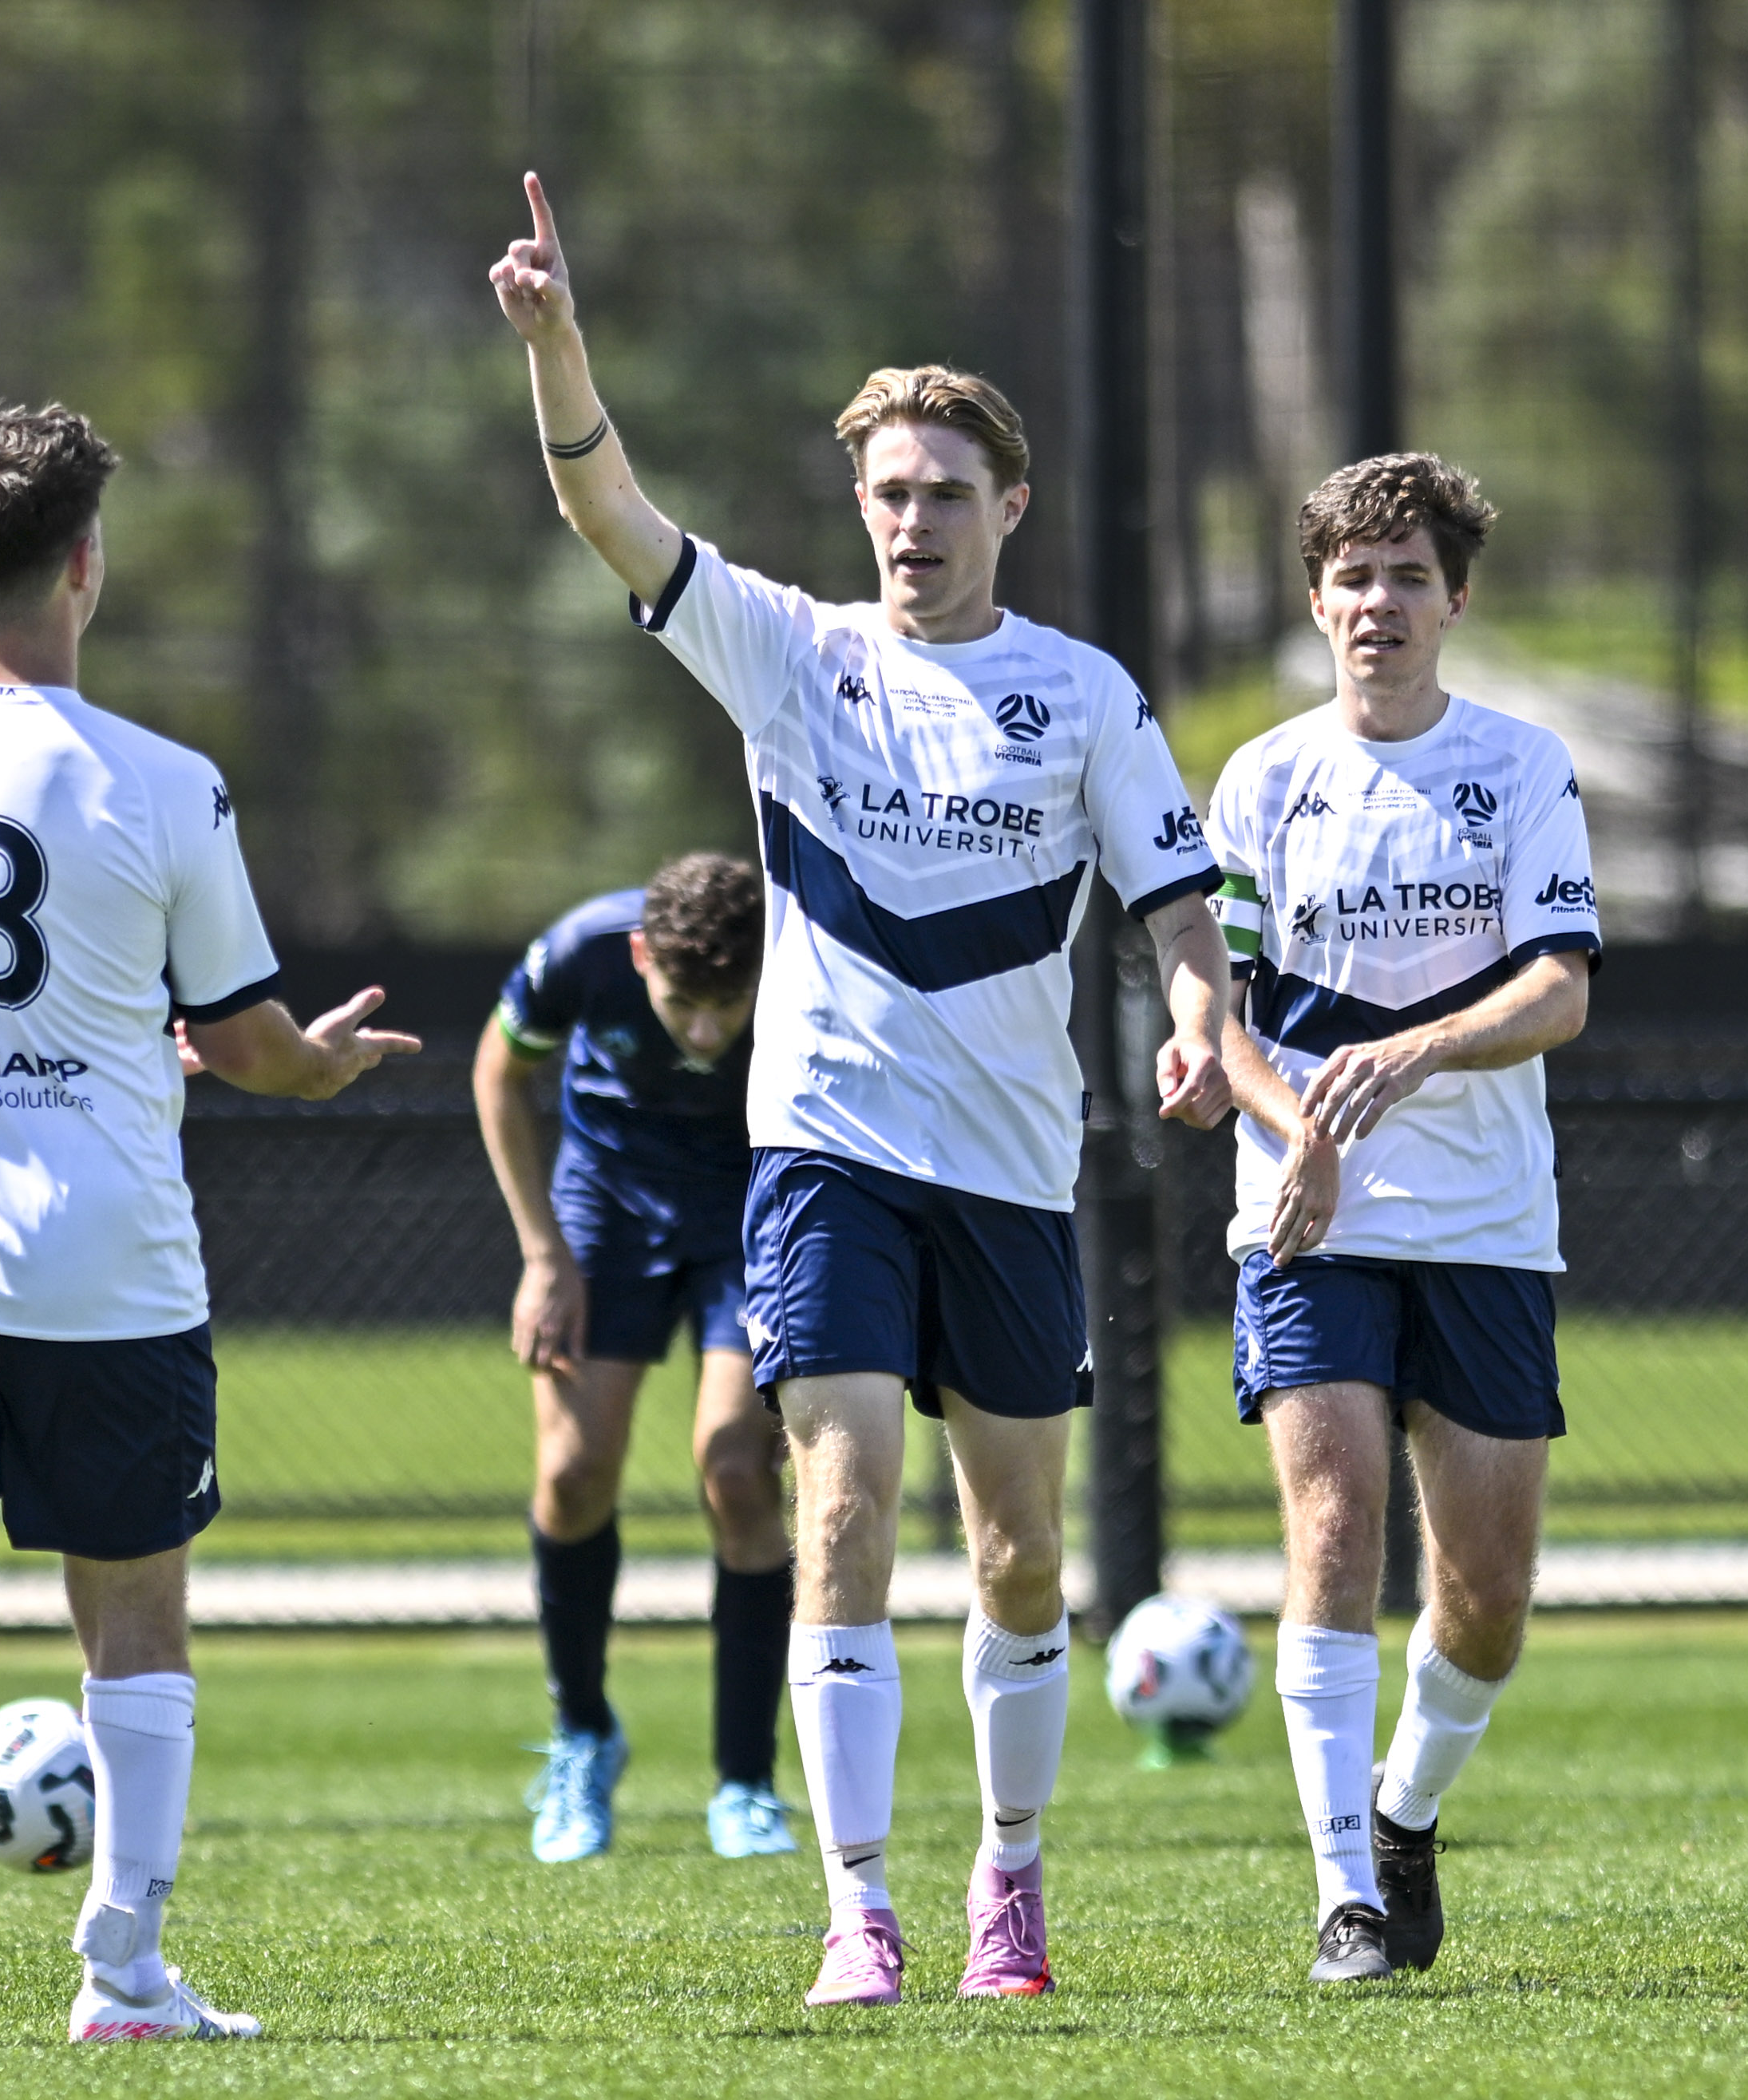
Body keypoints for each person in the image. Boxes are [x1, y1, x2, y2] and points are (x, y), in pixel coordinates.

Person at [489, 175, 1234, 2007]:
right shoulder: (789, 647)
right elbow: (606, 510)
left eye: (943, 492)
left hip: (1003, 1171)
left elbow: (1169, 898)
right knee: (832, 1499)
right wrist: (556, 349)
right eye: (886, 491)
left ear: (1009, 507)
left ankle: (1007, 1875)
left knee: (1016, 1542)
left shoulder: (1076, 694)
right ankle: (853, 1903)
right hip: (823, 1151)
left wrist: (1204, 1019)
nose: (911, 521)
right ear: (858, 507)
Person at [0, 403, 417, 2050]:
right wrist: (307, 1069)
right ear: (86, 565)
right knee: (135, 1621)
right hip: (103, 1270)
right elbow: (246, 1043)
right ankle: (120, 1973)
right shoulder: (163, 785)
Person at [1198, 453, 1597, 1984]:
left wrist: (1418, 1047)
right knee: (1332, 1526)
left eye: (1408, 577)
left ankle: (1404, 1809)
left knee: (1484, 1602)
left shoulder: (1522, 768)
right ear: (1316, 601)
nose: (1379, 604)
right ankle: (1343, 1894)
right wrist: (1290, 1128)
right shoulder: (1260, 781)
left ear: (1454, 600)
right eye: (1352, 578)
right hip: (1305, 1216)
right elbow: (1215, 1010)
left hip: (1487, 1221)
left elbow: (1559, 989)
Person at [476, 853, 798, 1863]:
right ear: (637, 958)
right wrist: (542, 1255)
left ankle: (745, 1784)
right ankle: (583, 1737)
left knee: (737, 1469)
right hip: (604, 1209)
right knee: (571, 1476)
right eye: (680, 1003)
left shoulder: (803, 955)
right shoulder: (580, 950)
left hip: (750, 1210)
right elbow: (497, 1071)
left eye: (727, 1006)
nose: (705, 1034)